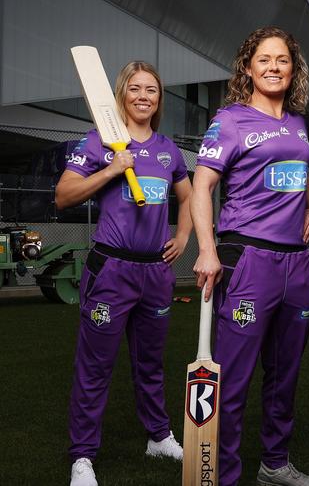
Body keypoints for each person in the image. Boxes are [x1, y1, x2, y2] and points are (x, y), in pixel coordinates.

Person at [191, 26, 309, 486]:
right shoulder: (229, 120)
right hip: (248, 259)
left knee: (284, 373)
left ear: (293, 69)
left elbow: (299, 165)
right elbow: (203, 186)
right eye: (264, 60)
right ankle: (221, 474)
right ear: (248, 67)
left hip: (298, 262)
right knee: (233, 378)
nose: (273, 67)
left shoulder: (299, 123)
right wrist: (207, 249)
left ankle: (274, 464)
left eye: (282, 60)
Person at [56, 61, 193, 486]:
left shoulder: (169, 150)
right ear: (121, 94)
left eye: (151, 89)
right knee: (95, 367)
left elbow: (187, 197)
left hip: (155, 273)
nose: (143, 96)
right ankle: (82, 456)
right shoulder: (99, 143)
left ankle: (158, 436)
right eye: (135, 88)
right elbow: (63, 195)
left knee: (150, 363)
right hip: (111, 270)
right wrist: (114, 169)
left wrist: (183, 234)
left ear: (159, 99)